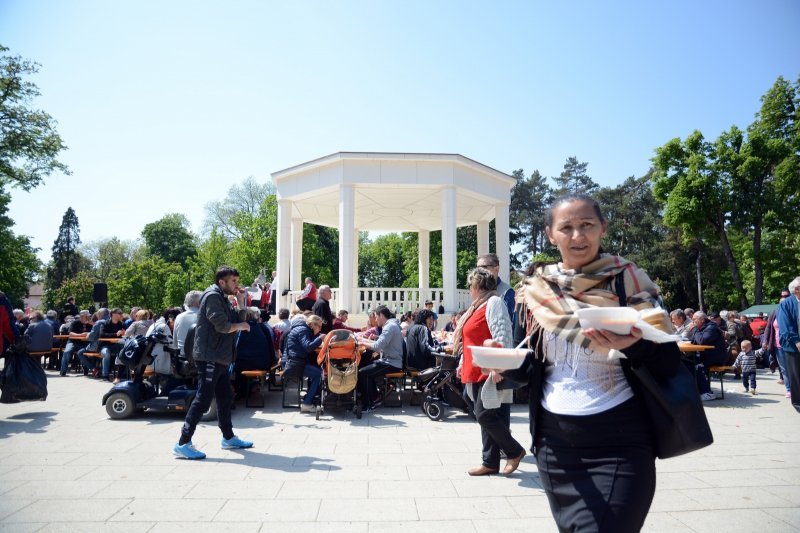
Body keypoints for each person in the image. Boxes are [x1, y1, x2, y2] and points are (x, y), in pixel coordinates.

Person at [504, 193, 681, 532]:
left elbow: (669, 363)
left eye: (586, 225)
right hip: (554, 447)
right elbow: (530, 370)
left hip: (621, 440)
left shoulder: (630, 281)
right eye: (566, 227)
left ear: (603, 228)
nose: (577, 236)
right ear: (550, 234)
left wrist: (635, 346)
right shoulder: (536, 291)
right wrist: (503, 364)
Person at [173, 266, 253, 460]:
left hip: (220, 357)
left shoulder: (223, 298)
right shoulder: (212, 297)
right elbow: (223, 326)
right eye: (233, 281)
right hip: (210, 356)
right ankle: (183, 443)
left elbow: (236, 318)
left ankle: (228, 437)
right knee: (203, 399)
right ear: (222, 282)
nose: (237, 284)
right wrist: (241, 325)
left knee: (225, 397)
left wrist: (241, 303)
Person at [454, 267, 524, 477]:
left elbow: (502, 333)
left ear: (478, 286)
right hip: (475, 370)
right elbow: (470, 339)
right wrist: (462, 362)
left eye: (470, 286)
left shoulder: (494, 303)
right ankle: (490, 461)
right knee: (482, 412)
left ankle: (514, 450)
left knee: (484, 415)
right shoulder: (477, 307)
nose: (469, 290)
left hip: (487, 371)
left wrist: (498, 366)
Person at [358, 306, 403, 411]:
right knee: (366, 370)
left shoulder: (389, 327)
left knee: (363, 373)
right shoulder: (391, 325)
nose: (376, 320)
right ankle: (374, 398)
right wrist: (363, 340)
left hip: (392, 362)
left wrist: (362, 342)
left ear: (381, 315)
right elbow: (379, 344)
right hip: (390, 360)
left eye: (376, 317)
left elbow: (378, 346)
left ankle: (368, 404)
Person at [233, 307, 277, 399]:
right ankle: (246, 390)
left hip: (248, 362)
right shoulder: (262, 327)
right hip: (264, 361)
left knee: (237, 368)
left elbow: (237, 347)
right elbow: (270, 345)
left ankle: (238, 392)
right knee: (241, 365)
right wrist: (273, 361)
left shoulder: (242, 328)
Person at [284, 314, 324, 413]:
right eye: (319, 326)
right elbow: (308, 347)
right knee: (320, 374)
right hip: (295, 364)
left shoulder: (301, 328)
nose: (320, 329)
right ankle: (307, 403)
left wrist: (316, 337)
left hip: (294, 361)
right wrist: (320, 338)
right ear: (313, 325)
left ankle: (310, 396)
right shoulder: (303, 330)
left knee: (316, 370)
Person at [689, 311, 729, 401]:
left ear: (702, 319)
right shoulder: (702, 327)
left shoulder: (711, 328)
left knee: (697, 365)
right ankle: (698, 391)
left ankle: (707, 392)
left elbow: (702, 341)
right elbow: (694, 340)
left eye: (694, 319)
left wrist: (694, 329)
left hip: (716, 358)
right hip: (707, 356)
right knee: (688, 362)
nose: (692, 321)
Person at [777, 276, 800, 412]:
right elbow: (785, 326)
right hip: (792, 346)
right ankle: (798, 403)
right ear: (797, 289)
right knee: (796, 376)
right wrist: (796, 341)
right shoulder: (786, 304)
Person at [477, 253, 515, 320]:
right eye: (477, 268)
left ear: (496, 269)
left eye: (483, 267)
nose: (478, 272)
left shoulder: (508, 293)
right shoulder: (478, 292)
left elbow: (513, 323)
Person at [60, 310, 92, 376]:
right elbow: (71, 334)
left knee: (84, 352)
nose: (88, 318)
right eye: (86, 316)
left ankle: (86, 370)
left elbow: (93, 334)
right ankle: (63, 371)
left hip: (84, 343)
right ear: (81, 317)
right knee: (67, 352)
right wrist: (82, 335)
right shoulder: (75, 323)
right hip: (72, 342)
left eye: (88, 316)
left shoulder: (90, 324)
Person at [173, 290, 203, 354]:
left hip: (181, 358)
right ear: (199, 303)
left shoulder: (179, 317)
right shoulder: (204, 317)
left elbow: (175, 343)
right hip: (199, 359)